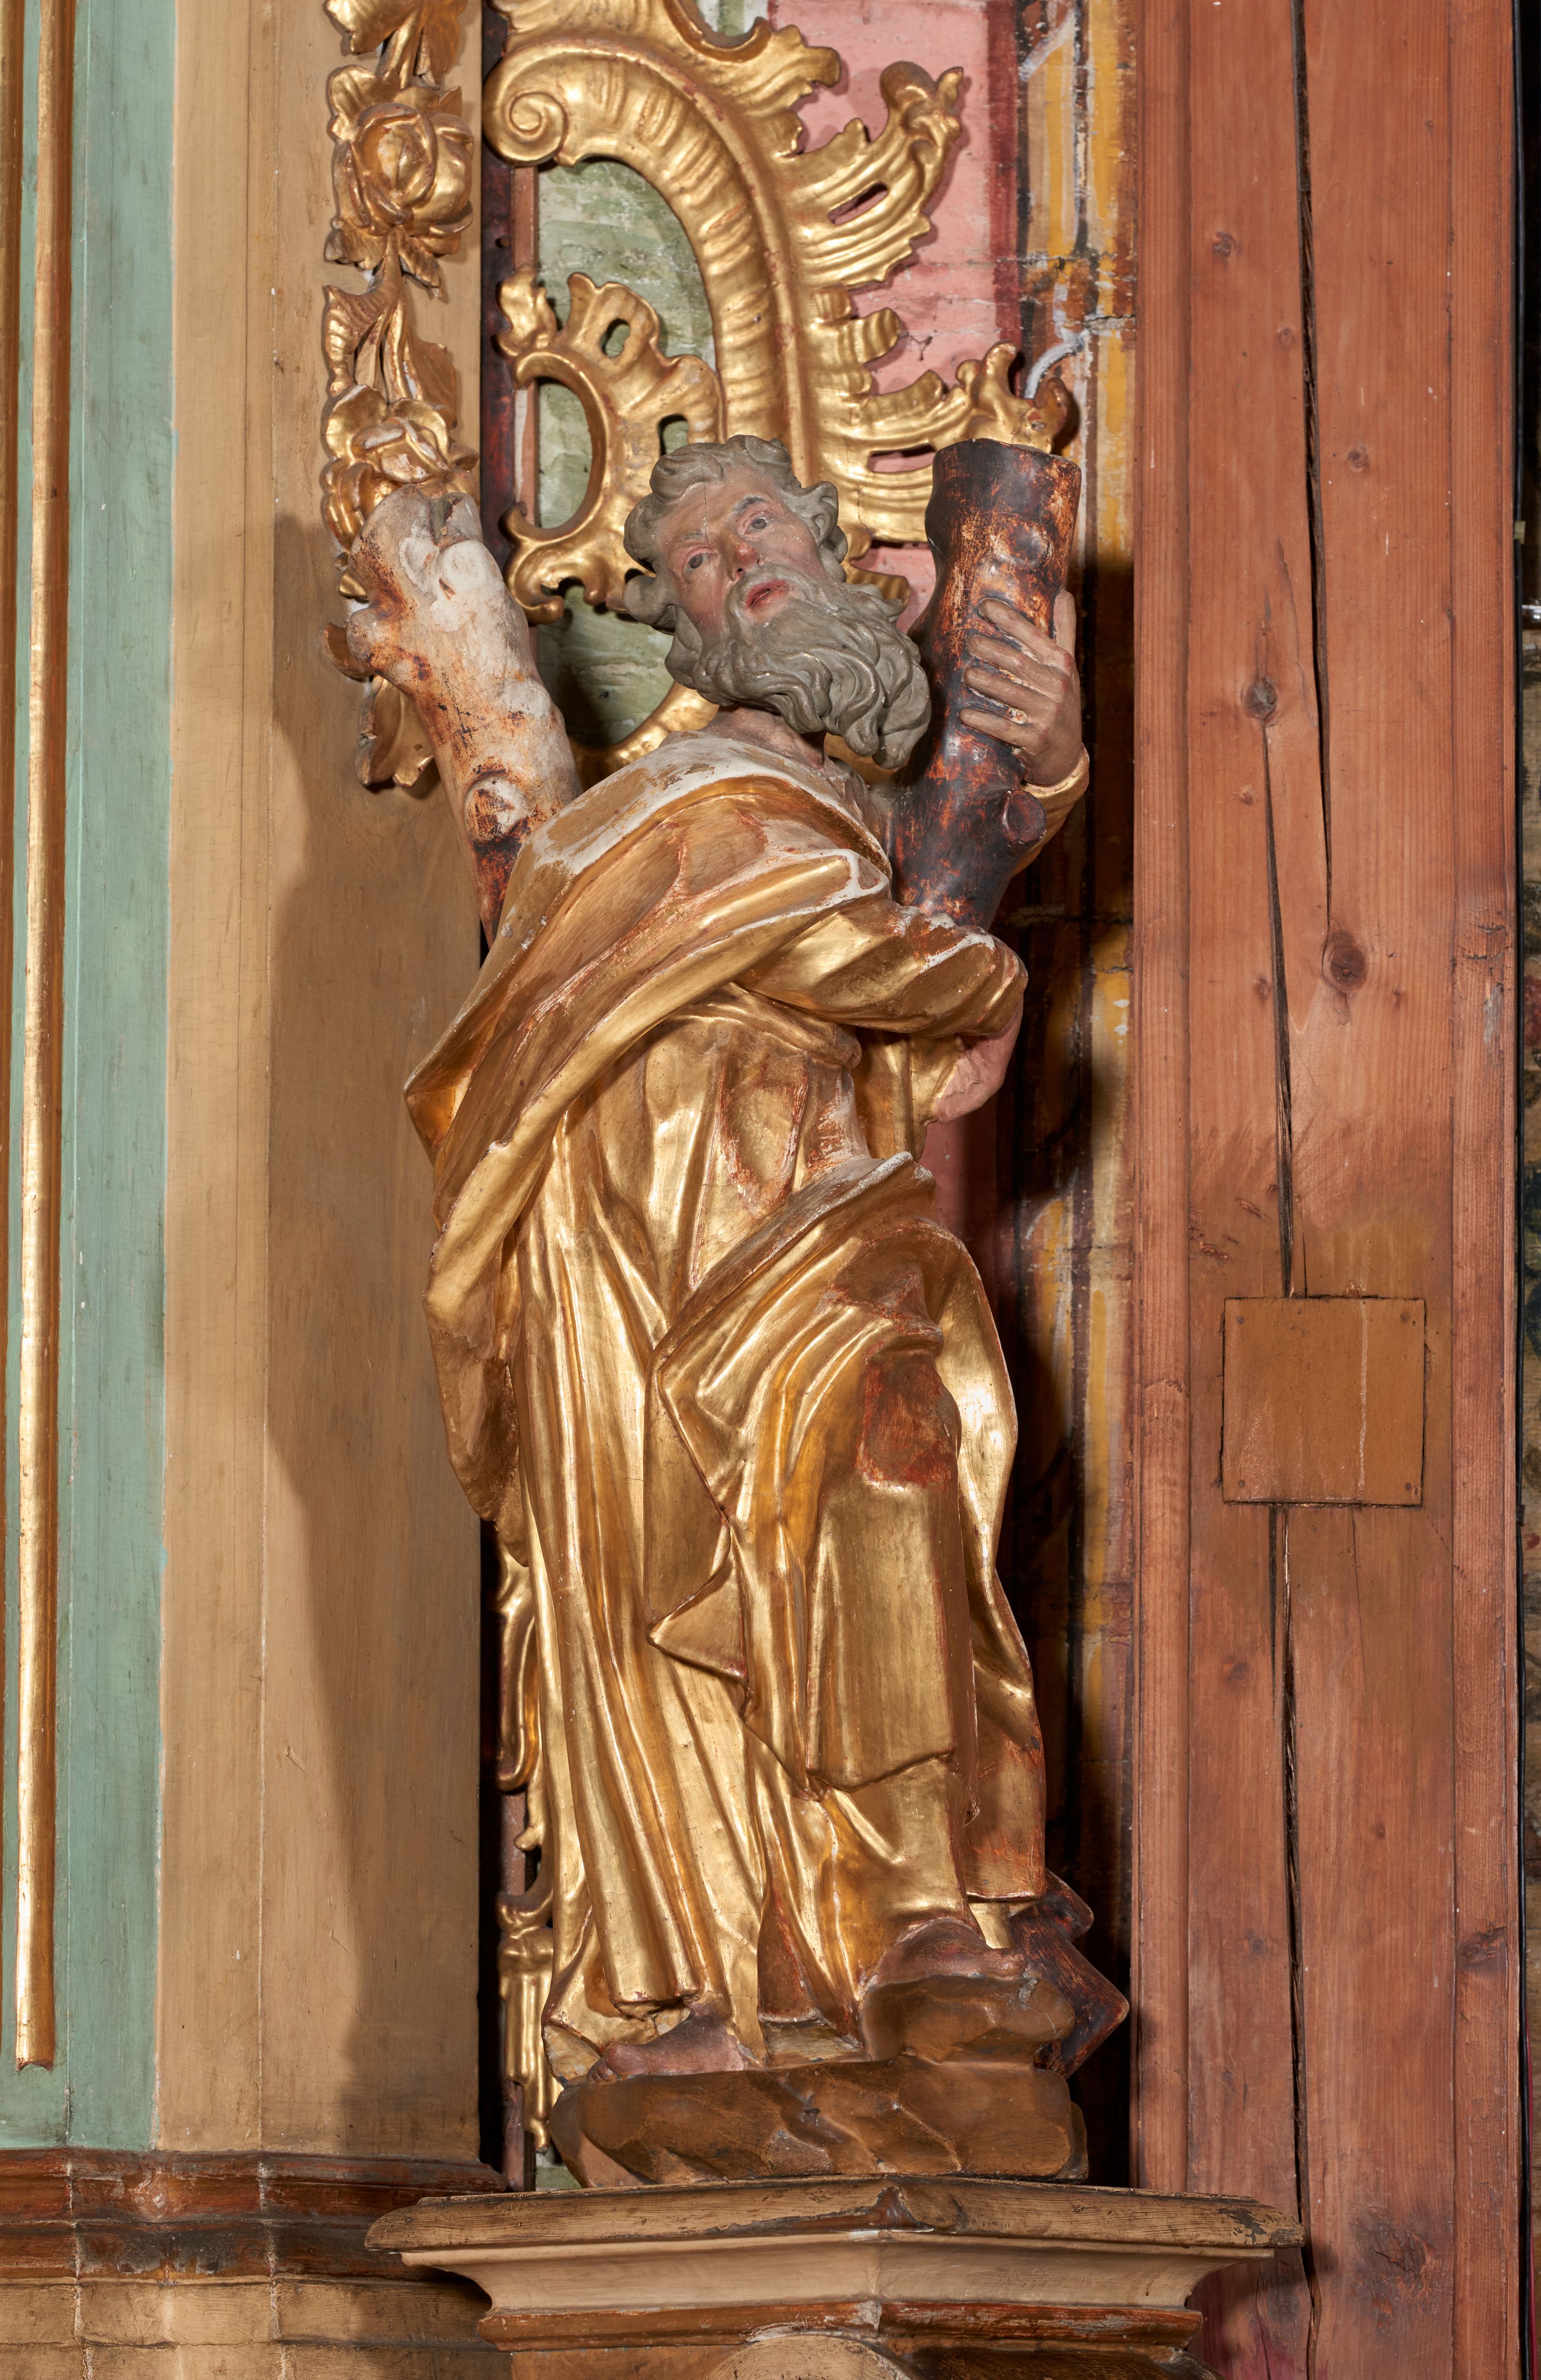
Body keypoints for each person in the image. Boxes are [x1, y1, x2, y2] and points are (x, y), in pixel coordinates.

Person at [347, 435, 1092, 2108]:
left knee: (896, 1450)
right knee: (636, 1581)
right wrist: (952, 979)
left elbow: (928, 922)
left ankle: (916, 1916)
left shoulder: (883, 817)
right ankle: (687, 1983)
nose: (738, 561)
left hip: (806, 1208)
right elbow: (653, 954)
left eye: (760, 525)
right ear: (684, 630)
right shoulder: (664, 801)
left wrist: (1044, 769)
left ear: (835, 555)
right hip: (618, 1222)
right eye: (696, 559)